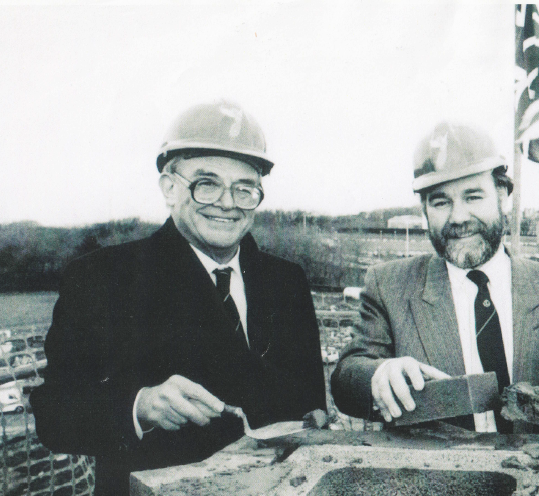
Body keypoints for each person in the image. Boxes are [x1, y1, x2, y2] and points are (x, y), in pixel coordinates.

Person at [30, 101, 327, 495]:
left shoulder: (286, 280)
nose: (227, 203)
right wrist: (141, 405)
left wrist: (315, 418)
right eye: (207, 183)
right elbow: (54, 415)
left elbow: (310, 403)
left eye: (244, 189)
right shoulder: (104, 277)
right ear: (169, 188)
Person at [330, 122, 539, 434]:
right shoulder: (390, 285)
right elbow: (346, 378)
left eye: (473, 196)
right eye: (440, 202)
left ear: (502, 194)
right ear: (424, 209)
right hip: (435, 478)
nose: (458, 217)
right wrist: (379, 374)